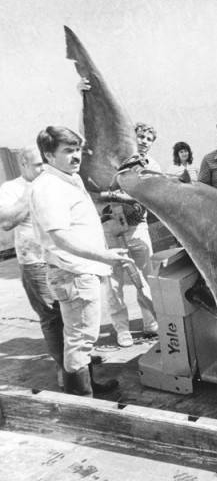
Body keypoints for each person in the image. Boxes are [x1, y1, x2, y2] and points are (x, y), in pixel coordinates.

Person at [30, 126, 133, 397]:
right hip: (74, 273)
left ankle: (87, 387)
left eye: (77, 149)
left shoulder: (67, 179)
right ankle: (83, 401)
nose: (76, 156)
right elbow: (61, 237)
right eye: (68, 151)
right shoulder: (50, 187)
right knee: (80, 339)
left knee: (82, 337)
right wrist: (104, 255)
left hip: (80, 271)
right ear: (49, 156)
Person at [78, 78, 160, 347]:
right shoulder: (110, 162)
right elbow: (93, 188)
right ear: (131, 137)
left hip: (138, 227)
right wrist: (118, 195)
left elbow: (152, 198)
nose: (145, 141)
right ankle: (122, 329)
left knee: (146, 277)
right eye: (141, 136)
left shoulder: (153, 165)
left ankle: (151, 322)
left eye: (150, 138)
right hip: (110, 225)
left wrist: (128, 198)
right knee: (113, 283)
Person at [0, 146, 64, 385]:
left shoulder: (54, 183)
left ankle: (76, 362)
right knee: (51, 316)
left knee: (70, 313)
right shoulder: (11, 188)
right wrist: (31, 192)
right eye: (37, 165)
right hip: (35, 263)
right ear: (23, 164)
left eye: (45, 164)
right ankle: (63, 369)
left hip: (60, 259)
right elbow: (7, 222)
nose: (43, 169)